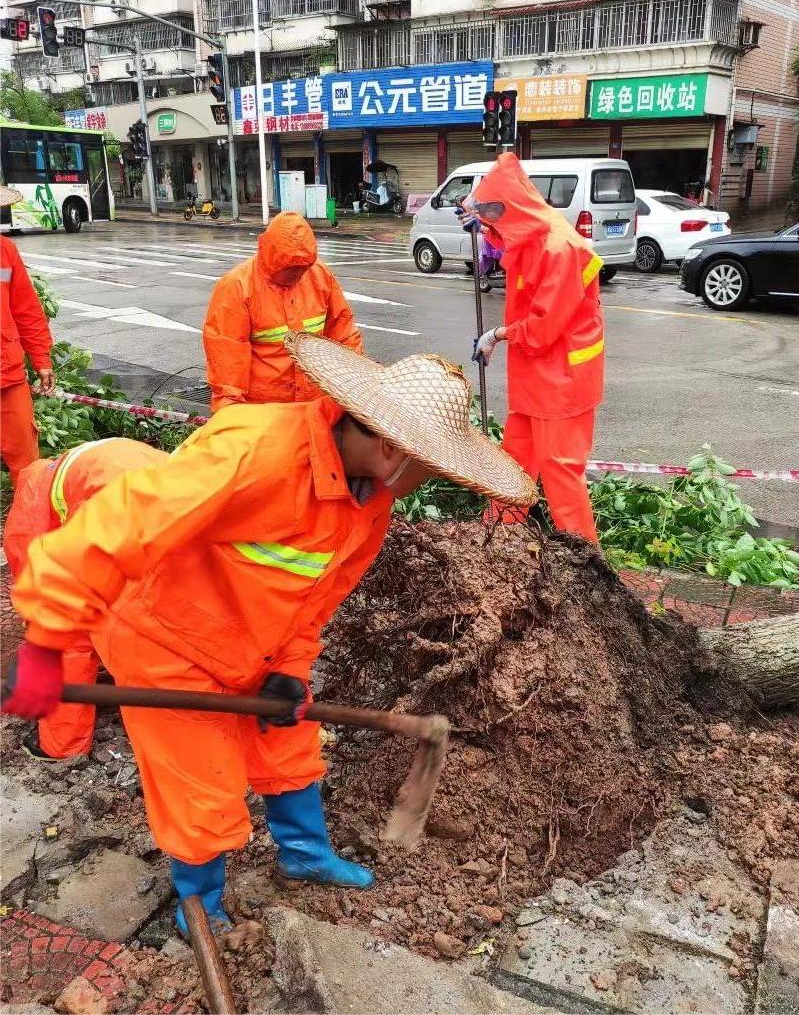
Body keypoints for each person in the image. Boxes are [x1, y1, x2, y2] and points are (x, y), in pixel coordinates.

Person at [4, 335, 537, 933]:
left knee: (289, 745)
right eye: (430, 466)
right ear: (392, 447)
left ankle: (305, 855)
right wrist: (46, 645)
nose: (431, 478)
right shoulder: (253, 453)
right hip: (164, 638)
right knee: (200, 787)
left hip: (251, 641)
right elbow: (109, 532)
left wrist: (289, 667)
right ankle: (199, 906)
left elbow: (316, 599)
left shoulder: (368, 503)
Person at [465, 152, 604, 543]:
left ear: (514, 207)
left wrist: (498, 334)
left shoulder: (561, 249)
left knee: (560, 470)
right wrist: (487, 229)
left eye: (495, 214)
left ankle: (584, 559)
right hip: (536, 378)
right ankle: (500, 538)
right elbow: (514, 241)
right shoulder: (536, 233)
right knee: (515, 460)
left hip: (563, 380)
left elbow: (543, 328)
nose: (494, 223)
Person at [3, 438, 169, 761]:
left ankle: (61, 744)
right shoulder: (78, 466)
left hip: (119, 507)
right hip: (177, 498)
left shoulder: (28, 515)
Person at [203, 211, 362, 412]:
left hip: (314, 407)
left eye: (303, 268)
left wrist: (355, 384)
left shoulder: (319, 275)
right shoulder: (237, 287)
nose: (298, 275)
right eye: (291, 269)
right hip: (264, 411)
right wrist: (230, 414)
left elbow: (343, 333)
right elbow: (227, 358)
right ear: (270, 256)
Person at [1, 186, 55, 485]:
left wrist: (41, 357)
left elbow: (25, 308)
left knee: (26, 462)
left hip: (7, 374)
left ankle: (27, 511)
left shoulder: (5, 251)